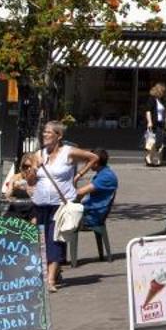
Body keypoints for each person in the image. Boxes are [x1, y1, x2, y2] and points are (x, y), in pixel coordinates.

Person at [23, 121, 98, 292]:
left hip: (60, 205)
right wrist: (34, 168)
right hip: (40, 203)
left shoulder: (68, 153)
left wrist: (77, 176)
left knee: (55, 240)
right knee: (40, 240)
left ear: (59, 136)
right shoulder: (38, 154)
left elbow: (93, 157)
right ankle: (48, 274)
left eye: (49, 132)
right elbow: (30, 181)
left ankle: (50, 280)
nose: (45, 135)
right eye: (44, 132)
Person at [142, 83, 166, 167]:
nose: (163, 93)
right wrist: (149, 121)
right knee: (152, 141)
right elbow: (148, 111)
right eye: (162, 91)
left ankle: (151, 158)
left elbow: (164, 111)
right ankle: (149, 158)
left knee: (159, 142)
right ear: (158, 91)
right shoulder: (151, 99)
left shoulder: (161, 101)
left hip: (161, 123)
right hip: (154, 123)